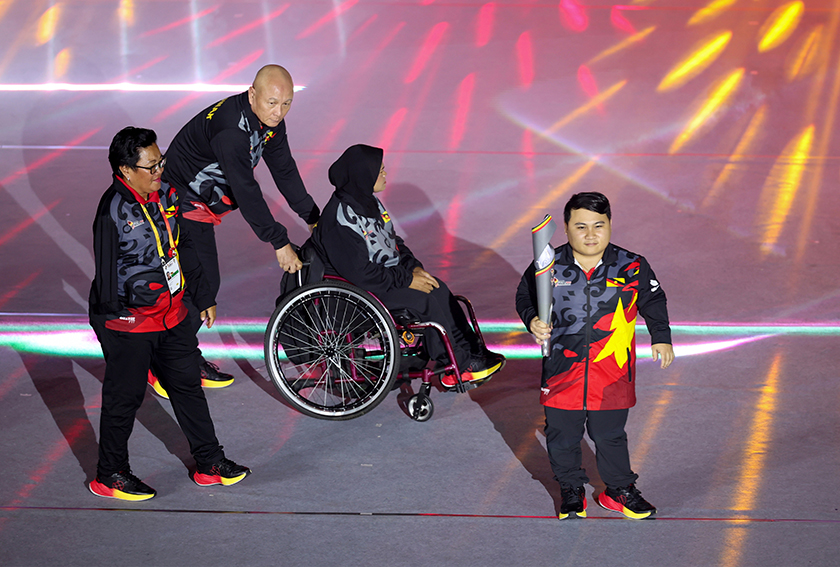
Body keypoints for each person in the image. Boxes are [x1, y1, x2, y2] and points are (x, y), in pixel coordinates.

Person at [88, 126, 250, 501]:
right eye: (151, 166)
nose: (160, 170)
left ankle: (210, 463)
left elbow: (186, 245)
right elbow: (106, 276)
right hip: (130, 324)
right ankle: (110, 475)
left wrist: (202, 295)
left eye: (160, 161)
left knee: (188, 388)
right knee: (124, 400)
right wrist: (116, 329)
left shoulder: (167, 196)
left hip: (173, 315)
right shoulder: (112, 210)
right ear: (126, 170)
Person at [158, 64, 320, 393]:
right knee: (202, 285)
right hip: (180, 204)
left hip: (199, 205)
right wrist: (279, 241)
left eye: (286, 103)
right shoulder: (231, 131)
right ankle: (168, 366)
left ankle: (174, 356)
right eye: (272, 103)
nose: (279, 112)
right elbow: (246, 190)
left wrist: (313, 216)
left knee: (197, 284)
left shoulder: (270, 121)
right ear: (252, 94)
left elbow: (284, 170)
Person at [515, 192, 674, 520]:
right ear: (566, 228)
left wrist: (661, 337)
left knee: (610, 435)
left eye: (598, 225)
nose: (590, 234)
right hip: (562, 370)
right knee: (562, 435)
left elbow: (654, 300)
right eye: (581, 226)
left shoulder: (632, 265)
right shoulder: (548, 265)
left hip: (613, 371)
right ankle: (571, 488)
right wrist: (532, 319)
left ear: (610, 224)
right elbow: (524, 295)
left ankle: (619, 490)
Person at [309, 144, 504, 389]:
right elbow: (360, 273)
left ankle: (471, 351)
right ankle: (458, 366)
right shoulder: (340, 219)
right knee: (424, 300)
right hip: (358, 292)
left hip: (383, 278)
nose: (385, 174)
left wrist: (414, 268)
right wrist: (407, 280)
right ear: (363, 175)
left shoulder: (369, 203)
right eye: (380, 170)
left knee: (437, 288)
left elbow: (394, 242)